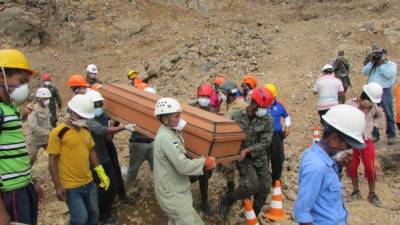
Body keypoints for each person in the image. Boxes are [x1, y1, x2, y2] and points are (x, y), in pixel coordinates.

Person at [293, 104, 366, 225]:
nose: (349, 150)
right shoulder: (317, 166)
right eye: (348, 146)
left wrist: (339, 166)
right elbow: (302, 213)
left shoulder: (325, 160)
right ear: (333, 139)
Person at [48, 94, 110, 225]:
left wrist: (100, 171)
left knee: (94, 214)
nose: (83, 120)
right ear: (71, 112)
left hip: (89, 182)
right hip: (71, 186)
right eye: (81, 117)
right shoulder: (58, 132)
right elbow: (52, 159)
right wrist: (58, 186)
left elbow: (91, 151)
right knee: (80, 219)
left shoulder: (86, 130)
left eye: (85, 118)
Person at [153, 97, 216, 225]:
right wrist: (204, 162)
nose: (180, 119)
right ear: (165, 119)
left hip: (175, 190)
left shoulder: (171, 132)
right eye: (176, 116)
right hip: (173, 195)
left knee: (176, 221)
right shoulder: (166, 137)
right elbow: (182, 165)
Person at [0, 49, 44, 225]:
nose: (24, 87)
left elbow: (14, 155)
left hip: (22, 188)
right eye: (21, 81)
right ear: (1, 76)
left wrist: (31, 182)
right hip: (10, 192)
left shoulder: (9, 109)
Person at [220, 87, 274, 218]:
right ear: (253, 103)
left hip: (259, 157)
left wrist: (248, 149)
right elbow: (229, 135)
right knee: (250, 186)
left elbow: (266, 142)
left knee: (265, 188)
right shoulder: (236, 116)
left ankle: (251, 215)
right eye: (262, 107)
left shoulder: (267, 120)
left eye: (266, 108)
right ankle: (227, 200)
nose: (264, 110)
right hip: (243, 158)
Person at [85, 90, 134, 224]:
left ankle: (107, 211)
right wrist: (123, 127)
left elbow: (108, 137)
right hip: (95, 160)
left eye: (100, 104)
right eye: (96, 104)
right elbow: (101, 130)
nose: (99, 107)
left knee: (111, 186)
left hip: (104, 155)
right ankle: (103, 216)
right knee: (103, 188)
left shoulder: (103, 116)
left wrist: (115, 123)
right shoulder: (88, 120)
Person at [346, 82, 384, 207]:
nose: (369, 104)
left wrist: (375, 126)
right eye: (368, 101)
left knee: (370, 166)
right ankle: (356, 191)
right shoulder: (351, 104)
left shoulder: (374, 108)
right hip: (352, 140)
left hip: (367, 140)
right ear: (363, 97)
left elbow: (379, 116)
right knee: (351, 165)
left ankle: (372, 193)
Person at [216, 80, 247, 196]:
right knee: (227, 166)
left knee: (242, 167)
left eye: (223, 93)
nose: (221, 95)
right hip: (226, 141)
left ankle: (244, 192)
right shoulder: (223, 104)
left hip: (239, 141)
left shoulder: (243, 106)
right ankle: (231, 189)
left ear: (231, 93)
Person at [190, 83, 217, 215]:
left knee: (204, 177)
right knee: (188, 176)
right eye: (202, 96)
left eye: (207, 96)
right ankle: (185, 201)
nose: (205, 98)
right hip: (190, 148)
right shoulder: (190, 108)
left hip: (205, 151)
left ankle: (204, 201)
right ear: (198, 96)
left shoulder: (212, 111)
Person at [362, 47, 397, 145]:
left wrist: (381, 65)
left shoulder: (391, 65)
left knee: (389, 113)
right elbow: (364, 72)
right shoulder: (373, 64)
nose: (378, 56)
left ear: (385, 55)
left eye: (380, 54)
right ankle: (375, 134)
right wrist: (372, 62)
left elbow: (389, 75)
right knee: (373, 114)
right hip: (372, 92)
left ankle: (391, 135)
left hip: (384, 91)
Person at [265, 83, 291, 184]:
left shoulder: (279, 106)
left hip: (276, 136)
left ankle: (276, 179)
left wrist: (287, 127)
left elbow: (287, 117)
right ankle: (265, 179)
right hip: (264, 135)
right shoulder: (261, 105)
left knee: (278, 158)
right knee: (264, 158)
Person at [27, 88, 52, 165]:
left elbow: (48, 122)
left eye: (48, 98)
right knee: (29, 160)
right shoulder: (33, 109)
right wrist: (47, 132)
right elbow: (33, 126)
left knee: (54, 155)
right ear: (40, 98)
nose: (47, 100)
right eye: (45, 98)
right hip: (35, 140)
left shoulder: (46, 108)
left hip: (46, 139)